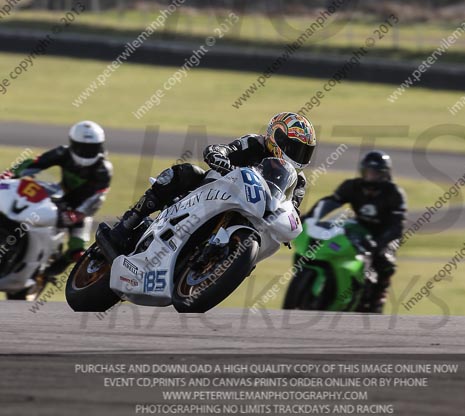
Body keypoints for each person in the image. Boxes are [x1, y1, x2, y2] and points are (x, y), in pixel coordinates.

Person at [105, 112, 316, 253]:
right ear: (275, 137)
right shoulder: (254, 143)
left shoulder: (297, 181)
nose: (296, 155)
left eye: (303, 151)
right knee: (184, 173)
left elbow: (292, 208)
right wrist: (219, 157)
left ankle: (228, 261)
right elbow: (224, 150)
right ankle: (128, 223)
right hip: (214, 191)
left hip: (252, 214)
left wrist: (289, 226)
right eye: (292, 147)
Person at [3, 121, 112, 274]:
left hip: (79, 210)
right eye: (82, 147)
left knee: (78, 250)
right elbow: (36, 163)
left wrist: (78, 214)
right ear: (73, 144)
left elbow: (97, 197)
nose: (86, 152)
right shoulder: (63, 153)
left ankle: (51, 271)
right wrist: (12, 174)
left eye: (91, 148)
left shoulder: (103, 169)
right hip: (58, 197)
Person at [306, 150, 407, 313]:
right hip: (360, 226)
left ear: (385, 174)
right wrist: (311, 216)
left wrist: (379, 244)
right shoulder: (352, 186)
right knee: (336, 237)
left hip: (385, 232)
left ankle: (377, 297)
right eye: (368, 172)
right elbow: (332, 201)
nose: (370, 177)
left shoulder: (394, 193)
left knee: (384, 260)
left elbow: (397, 225)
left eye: (375, 173)